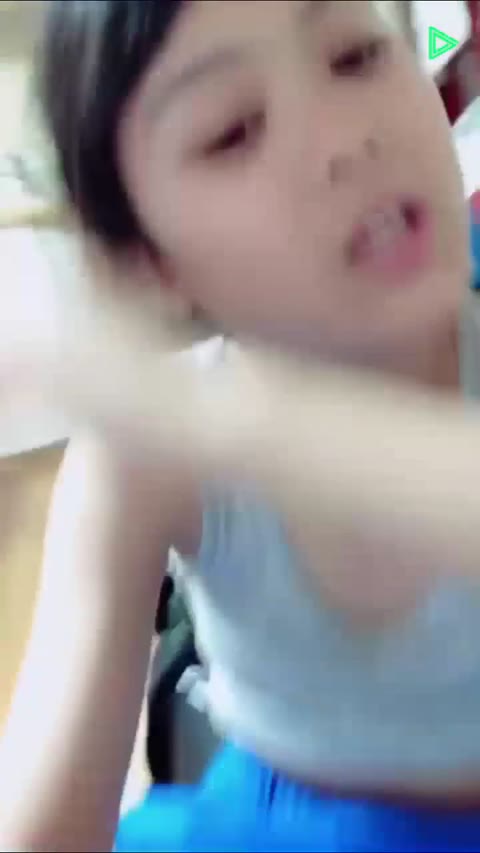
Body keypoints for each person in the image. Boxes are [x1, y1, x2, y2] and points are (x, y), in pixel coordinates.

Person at [2, 0, 480, 850]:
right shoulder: (142, 456)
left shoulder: (184, 423)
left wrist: (220, 425)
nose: (347, 140)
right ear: (152, 264)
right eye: (232, 132)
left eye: (355, 56)